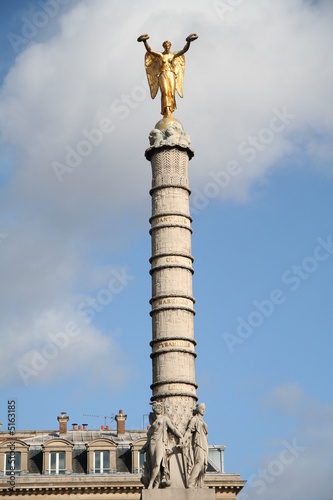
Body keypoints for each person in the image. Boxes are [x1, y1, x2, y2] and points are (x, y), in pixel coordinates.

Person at [137, 34, 198, 118]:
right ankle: (166, 111)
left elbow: (184, 50)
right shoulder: (160, 55)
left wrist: (188, 42)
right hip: (163, 74)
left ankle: (171, 110)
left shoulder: (173, 55)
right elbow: (150, 50)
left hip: (171, 74)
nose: (167, 47)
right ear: (163, 47)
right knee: (165, 92)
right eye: (165, 46)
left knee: (171, 93)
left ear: (170, 47)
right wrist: (145, 41)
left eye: (168, 46)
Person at [144, 401, 183, 489]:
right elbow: (149, 436)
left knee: (158, 463)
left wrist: (181, 436)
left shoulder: (165, 419)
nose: (159, 408)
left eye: (160, 407)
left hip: (161, 442)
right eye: (157, 407)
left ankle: (151, 483)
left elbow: (173, 428)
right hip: (152, 443)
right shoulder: (153, 423)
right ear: (153, 409)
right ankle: (157, 483)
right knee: (154, 464)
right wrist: (144, 446)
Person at [183, 403, 208, 488]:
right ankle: (191, 482)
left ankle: (200, 483)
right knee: (199, 462)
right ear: (197, 409)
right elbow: (188, 431)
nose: (203, 410)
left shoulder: (203, 422)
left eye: (204, 408)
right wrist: (183, 440)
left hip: (204, 443)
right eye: (202, 408)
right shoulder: (194, 419)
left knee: (203, 465)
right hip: (198, 442)